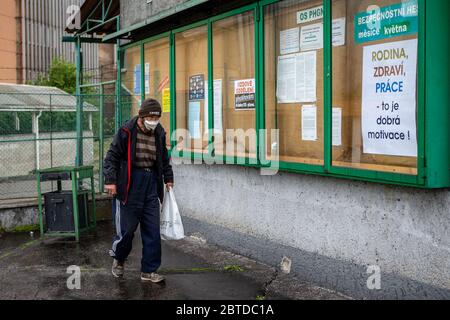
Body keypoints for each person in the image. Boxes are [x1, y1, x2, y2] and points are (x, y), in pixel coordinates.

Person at [103, 98, 174, 283]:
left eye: (157, 117)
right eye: (150, 116)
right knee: (126, 231)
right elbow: (111, 156)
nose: (154, 120)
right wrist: (110, 181)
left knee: (152, 229)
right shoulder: (126, 130)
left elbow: (163, 159)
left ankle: (149, 270)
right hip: (129, 183)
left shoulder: (159, 132)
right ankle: (119, 259)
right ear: (142, 116)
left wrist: (168, 178)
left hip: (151, 182)